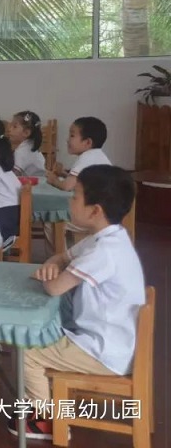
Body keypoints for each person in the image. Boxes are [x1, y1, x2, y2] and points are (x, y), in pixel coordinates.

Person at [11, 165, 144, 441]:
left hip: (104, 352)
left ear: (94, 210)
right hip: (111, 342)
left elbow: (54, 287)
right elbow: (62, 257)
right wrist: (52, 264)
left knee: (27, 350)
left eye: (76, 196)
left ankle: (43, 421)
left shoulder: (105, 252)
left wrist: (48, 275)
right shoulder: (108, 238)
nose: (70, 200)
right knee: (42, 333)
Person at [46, 117, 110, 192]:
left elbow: (68, 186)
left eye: (72, 135)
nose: (67, 140)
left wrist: (53, 180)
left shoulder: (86, 158)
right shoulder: (97, 155)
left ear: (88, 142)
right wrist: (63, 174)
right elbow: (79, 181)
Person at [9, 111, 46, 177]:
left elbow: (15, 175)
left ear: (26, 133)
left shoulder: (22, 151)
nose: (9, 129)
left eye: (14, 127)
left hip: (36, 184)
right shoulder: (30, 145)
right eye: (10, 126)